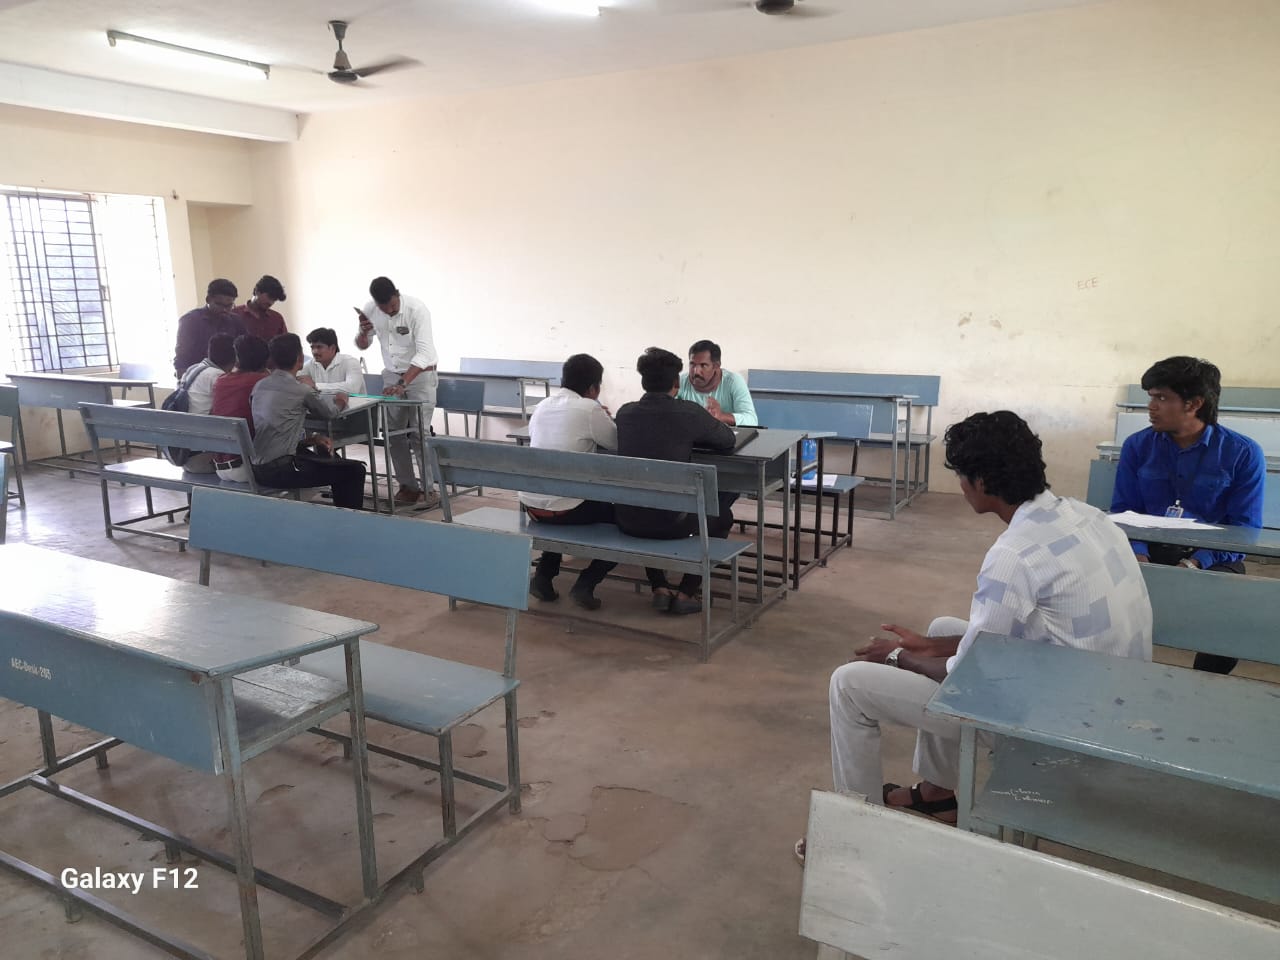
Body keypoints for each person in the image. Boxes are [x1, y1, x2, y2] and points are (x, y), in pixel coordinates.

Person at [808, 411, 1151, 860]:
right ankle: (938, 794)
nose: (961, 486)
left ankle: (854, 832)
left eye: (961, 476)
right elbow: (1025, 634)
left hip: (1061, 727)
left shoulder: (1014, 554)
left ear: (983, 481)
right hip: (1109, 694)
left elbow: (964, 674)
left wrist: (896, 657)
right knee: (941, 628)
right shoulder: (1086, 516)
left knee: (849, 684)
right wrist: (928, 645)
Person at [1110, 356, 1265, 675]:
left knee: (1231, 616)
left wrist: (1195, 563)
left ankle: (1202, 684)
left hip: (1210, 556)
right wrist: (1137, 554)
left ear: (1194, 404)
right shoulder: (1137, 446)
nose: (1151, 406)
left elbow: (1245, 529)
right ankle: (1115, 671)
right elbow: (1124, 512)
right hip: (1146, 550)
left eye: (1161, 397)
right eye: (1150, 396)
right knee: (1092, 585)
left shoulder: (1243, 453)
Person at [615, 347, 737, 615]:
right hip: (673, 523)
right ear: (676, 383)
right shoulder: (689, 413)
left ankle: (659, 587)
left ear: (643, 381)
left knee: (646, 499)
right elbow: (727, 440)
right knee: (723, 515)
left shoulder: (624, 414)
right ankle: (686, 592)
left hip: (627, 519)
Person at [520, 353, 619, 610]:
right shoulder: (590, 409)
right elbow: (616, 442)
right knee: (627, 518)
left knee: (559, 495)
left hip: (532, 507)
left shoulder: (542, 406)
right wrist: (602, 417)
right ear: (593, 389)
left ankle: (543, 576)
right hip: (568, 510)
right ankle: (587, 581)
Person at [249, 334, 366, 510]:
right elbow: (329, 413)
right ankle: (348, 520)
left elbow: (275, 429)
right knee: (355, 471)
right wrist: (341, 401)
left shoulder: (259, 386)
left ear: (271, 360)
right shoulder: (302, 390)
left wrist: (311, 439)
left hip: (258, 468)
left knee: (330, 458)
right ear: (299, 359)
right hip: (281, 470)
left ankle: (340, 514)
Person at [354, 276, 439, 508]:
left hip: (420, 375)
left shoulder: (416, 309)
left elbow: (424, 353)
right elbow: (363, 344)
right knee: (393, 433)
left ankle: (429, 490)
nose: (389, 311)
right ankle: (408, 487)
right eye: (384, 308)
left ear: (397, 294)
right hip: (392, 374)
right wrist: (363, 333)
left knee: (420, 434)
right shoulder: (371, 309)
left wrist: (403, 383)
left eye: (392, 306)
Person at [209, 335, 271, 483]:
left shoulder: (220, 381)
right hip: (247, 467)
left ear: (237, 358)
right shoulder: (262, 382)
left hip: (220, 466)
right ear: (266, 359)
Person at [178, 333, 236, 474]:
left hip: (184, 454)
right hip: (203, 458)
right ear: (235, 357)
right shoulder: (218, 377)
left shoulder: (192, 369)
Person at [676, 339, 758, 426]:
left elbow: (752, 421)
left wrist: (721, 417)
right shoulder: (680, 382)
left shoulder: (733, 381)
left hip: (726, 434)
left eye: (703, 365)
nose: (696, 371)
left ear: (716, 366)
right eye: (692, 364)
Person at [173, 279, 245, 377]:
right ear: (208, 299)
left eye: (229, 306)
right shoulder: (190, 320)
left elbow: (244, 349)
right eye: (219, 304)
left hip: (227, 377)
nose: (224, 309)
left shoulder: (235, 321)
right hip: (199, 376)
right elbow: (182, 355)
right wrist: (183, 379)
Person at [300, 327, 365, 396]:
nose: (314, 352)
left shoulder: (351, 362)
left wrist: (315, 385)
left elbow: (352, 388)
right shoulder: (310, 364)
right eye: (312, 347)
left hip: (357, 402)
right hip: (326, 403)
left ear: (332, 348)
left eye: (319, 347)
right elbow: (296, 382)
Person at [231, 275, 288, 342]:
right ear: (257, 291)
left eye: (274, 300)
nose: (271, 302)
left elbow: (286, 344)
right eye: (269, 297)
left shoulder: (277, 318)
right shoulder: (235, 314)